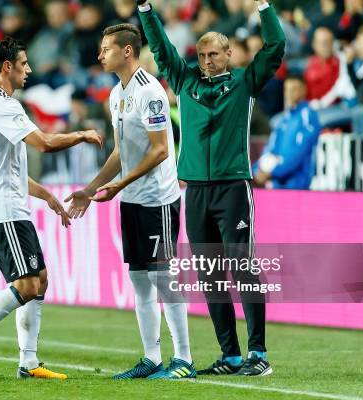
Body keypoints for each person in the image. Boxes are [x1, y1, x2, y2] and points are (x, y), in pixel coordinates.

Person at [137, 0, 285, 376]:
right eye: (201, 54)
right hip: (197, 192)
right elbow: (161, 48)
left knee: (242, 266)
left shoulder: (244, 82)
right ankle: (230, 355)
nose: (206, 60)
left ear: (229, 54)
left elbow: (275, 47)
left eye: (213, 54)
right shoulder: (185, 81)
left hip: (233, 187)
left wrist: (264, 7)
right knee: (209, 272)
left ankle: (258, 353)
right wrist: (145, 10)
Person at [0, 37, 102, 381]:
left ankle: (28, 363)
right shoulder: (1, 105)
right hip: (3, 211)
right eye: (24, 64)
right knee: (27, 284)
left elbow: (8, 169)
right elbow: (45, 144)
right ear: (7, 67)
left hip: (11, 206)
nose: (29, 70)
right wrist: (83, 133)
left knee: (40, 281)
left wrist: (46, 196)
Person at [65, 23, 195, 380]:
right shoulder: (115, 94)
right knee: (139, 280)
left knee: (164, 278)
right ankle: (152, 358)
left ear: (126, 51)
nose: (99, 55)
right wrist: (91, 189)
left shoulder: (150, 91)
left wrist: (120, 185)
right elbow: (122, 152)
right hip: (133, 199)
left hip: (158, 199)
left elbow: (159, 150)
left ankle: (184, 359)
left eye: (105, 49)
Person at [253, 75, 321, 190]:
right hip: (277, 183)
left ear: (304, 90)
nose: (289, 93)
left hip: (298, 185)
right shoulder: (283, 119)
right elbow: (270, 148)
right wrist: (256, 170)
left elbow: (299, 152)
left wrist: (273, 172)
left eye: (294, 89)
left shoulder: (308, 116)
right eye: (287, 89)